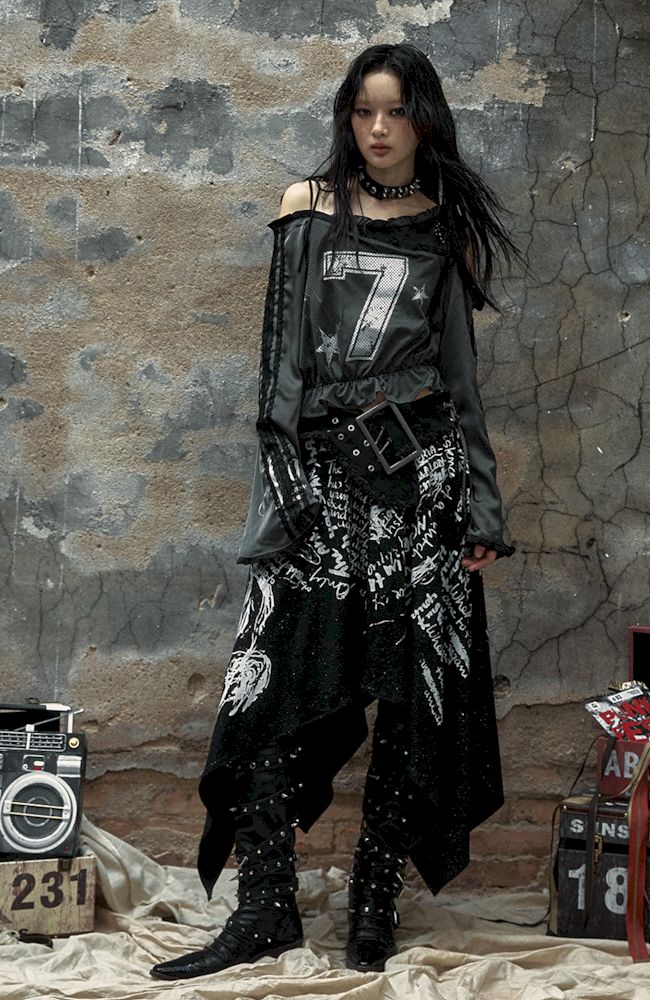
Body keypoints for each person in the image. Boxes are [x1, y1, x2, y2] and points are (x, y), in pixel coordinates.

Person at [151, 41, 523, 981]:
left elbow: (460, 382)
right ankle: (266, 910)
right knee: (272, 692)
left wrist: (482, 506)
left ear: (424, 120)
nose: (379, 130)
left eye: (395, 112)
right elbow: (280, 374)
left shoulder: (443, 228)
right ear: (346, 118)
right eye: (363, 111)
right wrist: (284, 497)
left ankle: (372, 905)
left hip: (422, 485)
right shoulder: (307, 211)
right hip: (322, 479)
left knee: (405, 699)